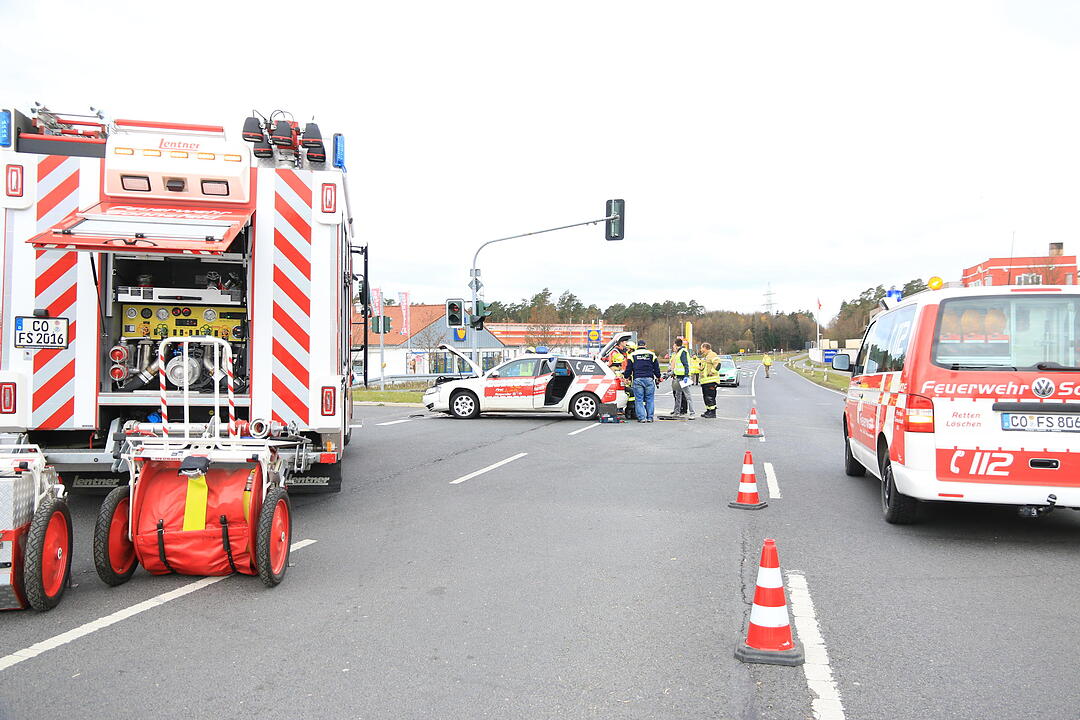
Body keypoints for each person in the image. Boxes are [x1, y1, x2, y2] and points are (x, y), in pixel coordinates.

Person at [624, 340, 661, 422]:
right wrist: (658, 377)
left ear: (637, 346)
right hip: (649, 379)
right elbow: (656, 368)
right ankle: (650, 418)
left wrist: (626, 377)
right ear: (645, 345)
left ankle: (642, 418)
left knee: (639, 399)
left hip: (638, 379)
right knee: (650, 399)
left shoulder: (633, 355)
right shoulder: (652, 355)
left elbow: (629, 368)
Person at [669, 338, 695, 419]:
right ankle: (677, 412)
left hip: (683, 377)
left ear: (676, 345)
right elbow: (677, 366)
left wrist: (686, 376)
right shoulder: (679, 352)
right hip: (678, 377)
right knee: (678, 395)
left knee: (687, 395)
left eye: (674, 344)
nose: (673, 346)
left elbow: (686, 365)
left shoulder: (682, 352)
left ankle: (692, 413)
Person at [698, 342, 720, 418]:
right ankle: (708, 410)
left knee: (710, 397)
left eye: (701, 348)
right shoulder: (704, 356)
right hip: (705, 381)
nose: (700, 350)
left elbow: (718, 365)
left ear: (705, 348)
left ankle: (712, 412)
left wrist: (712, 372)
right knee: (706, 397)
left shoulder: (712, 355)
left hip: (711, 380)